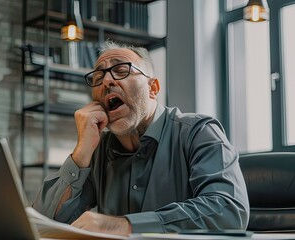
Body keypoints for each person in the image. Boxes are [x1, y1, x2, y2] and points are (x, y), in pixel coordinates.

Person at [32, 41, 249, 236]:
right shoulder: (97, 151)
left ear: (152, 88)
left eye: (121, 70)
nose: (107, 80)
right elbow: (43, 223)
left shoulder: (199, 132)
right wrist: (81, 152)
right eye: (98, 77)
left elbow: (228, 209)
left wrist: (122, 225)